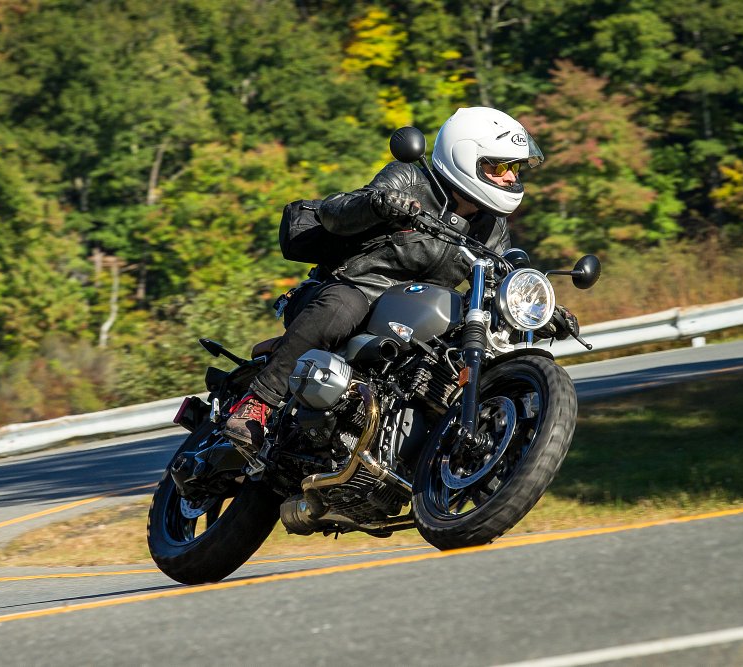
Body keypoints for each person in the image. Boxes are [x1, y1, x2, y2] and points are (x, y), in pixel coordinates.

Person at [224, 106, 578, 451]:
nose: (511, 177)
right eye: (499, 166)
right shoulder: (409, 179)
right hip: (359, 287)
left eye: (514, 168)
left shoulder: (492, 226)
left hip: (416, 315)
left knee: (457, 354)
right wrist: (377, 204)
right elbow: (334, 214)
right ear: (464, 158)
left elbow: (499, 276)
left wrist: (540, 309)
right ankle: (258, 402)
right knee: (341, 307)